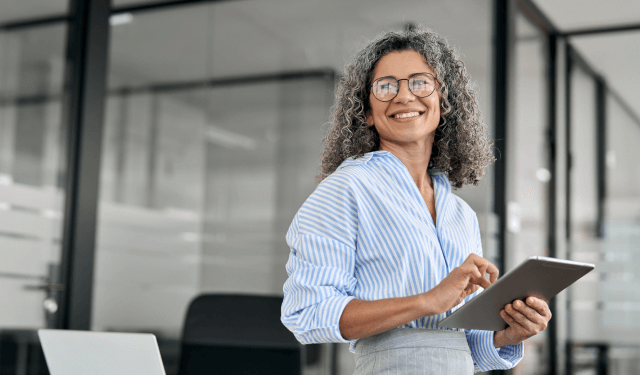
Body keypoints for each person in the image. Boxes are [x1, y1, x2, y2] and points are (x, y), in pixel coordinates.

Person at [281, 26, 552, 374]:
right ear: (365, 111)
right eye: (386, 86)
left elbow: (466, 346)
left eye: (420, 82)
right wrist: (426, 301)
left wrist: (509, 333)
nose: (404, 96)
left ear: (444, 101)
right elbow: (306, 313)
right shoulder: (346, 189)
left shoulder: (460, 214)